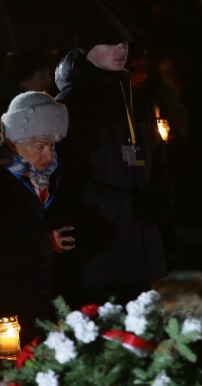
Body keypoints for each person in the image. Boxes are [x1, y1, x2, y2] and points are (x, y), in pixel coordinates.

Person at [54, 37, 172, 307]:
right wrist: (130, 205)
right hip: (98, 240)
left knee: (139, 325)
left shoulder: (137, 98)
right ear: (86, 48)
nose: (122, 49)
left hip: (139, 236)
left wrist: (162, 194)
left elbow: (157, 155)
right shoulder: (71, 104)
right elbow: (69, 177)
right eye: (110, 43)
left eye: (125, 42)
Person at [0, 91, 74, 348]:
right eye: (39, 146)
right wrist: (44, 243)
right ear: (15, 142)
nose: (48, 155)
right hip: (5, 303)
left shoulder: (54, 176)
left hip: (45, 298)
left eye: (52, 145)